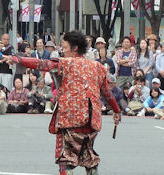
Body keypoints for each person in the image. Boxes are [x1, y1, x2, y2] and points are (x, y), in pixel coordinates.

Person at [9, 30, 121, 175]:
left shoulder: (65, 63)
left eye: (65, 48)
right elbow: (107, 93)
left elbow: (42, 64)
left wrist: (18, 59)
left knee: (65, 160)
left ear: (75, 48)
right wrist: (117, 111)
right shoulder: (97, 67)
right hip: (92, 121)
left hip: (70, 119)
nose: (63, 51)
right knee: (90, 159)